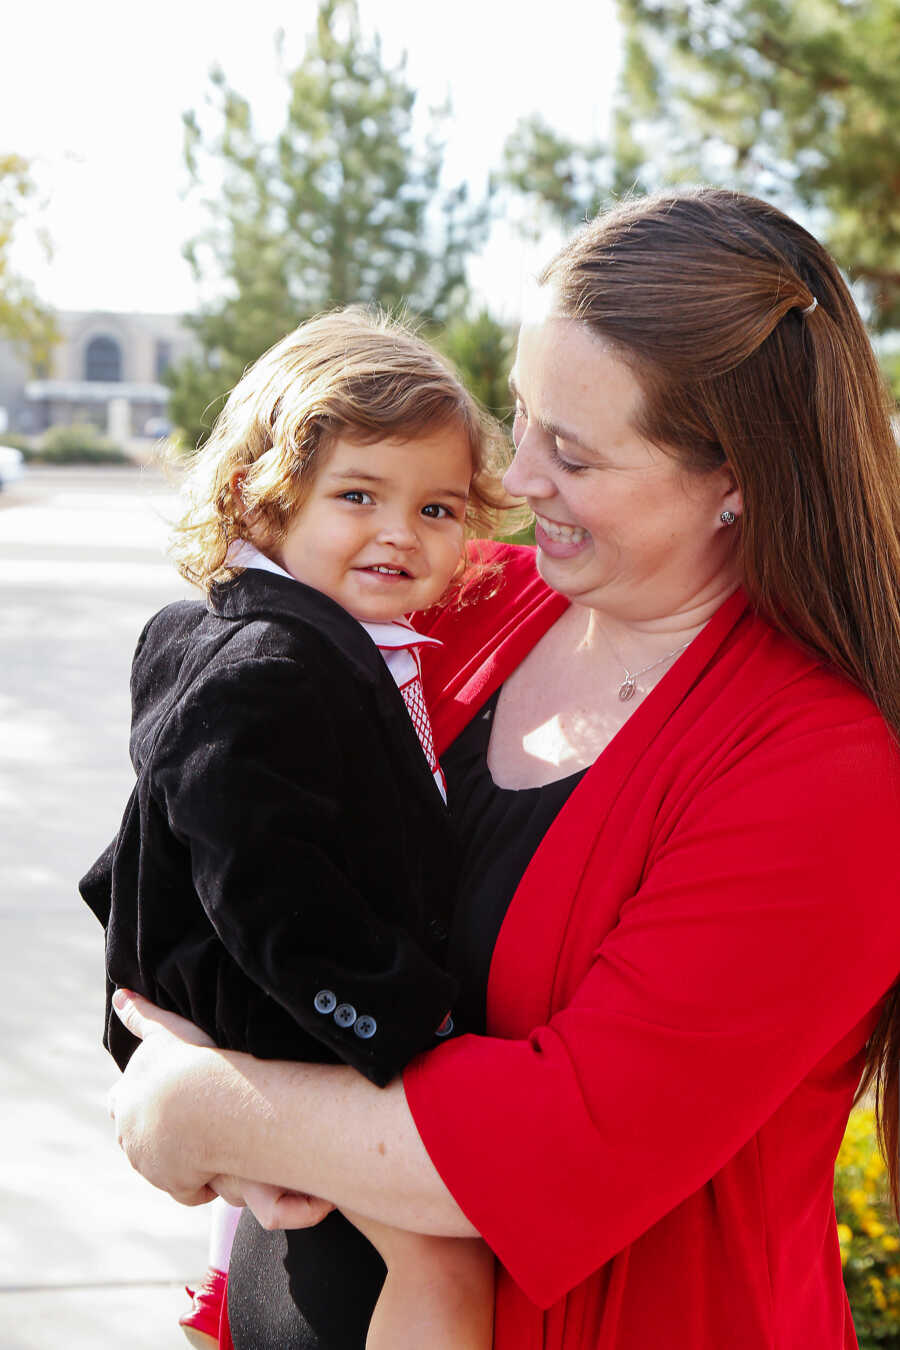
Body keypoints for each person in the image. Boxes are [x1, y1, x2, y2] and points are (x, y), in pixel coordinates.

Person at [106, 188, 900, 1350]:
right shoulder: (460, 603)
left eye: (571, 453)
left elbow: (564, 1138)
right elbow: (208, 811)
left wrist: (206, 1108)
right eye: (521, 417)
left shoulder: (825, 773)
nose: (515, 478)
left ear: (737, 479)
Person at [81, 307, 520, 1350]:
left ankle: (219, 1294)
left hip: (263, 1013)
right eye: (358, 496)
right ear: (261, 495)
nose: (401, 533)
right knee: (442, 1257)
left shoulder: (272, 631)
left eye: (440, 508)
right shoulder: (272, 668)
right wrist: (407, 1025)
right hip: (305, 1019)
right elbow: (267, 883)